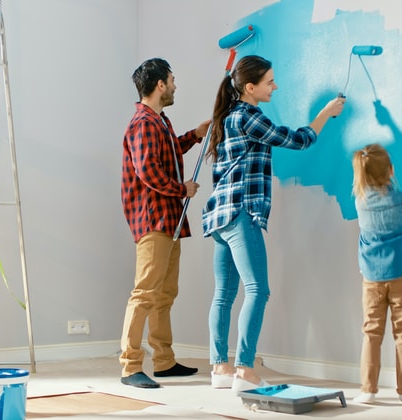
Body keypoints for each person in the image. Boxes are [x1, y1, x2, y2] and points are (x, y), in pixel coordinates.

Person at [201, 55, 345, 391]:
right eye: (269, 82)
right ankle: (244, 370)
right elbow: (298, 140)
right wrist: (326, 113)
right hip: (239, 212)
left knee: (224, 294)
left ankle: (220, 367)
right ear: (250, 87)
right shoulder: (249, 116)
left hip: (219, 215)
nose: (275, 86)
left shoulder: (227, 117)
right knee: (258, 290)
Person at [119, 57, 210, 389]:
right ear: (160, 85)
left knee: (164, 294)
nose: (174, 85)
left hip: (169, 221)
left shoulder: (160, 121)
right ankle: (130, 366)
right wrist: (181, 189)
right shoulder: (143, 123)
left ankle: (164, 361)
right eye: (172, 80)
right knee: (145, 293)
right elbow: (149, 172)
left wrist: (194, 136)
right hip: (154, 221)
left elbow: (166, 154)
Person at [350, 143, 402, 404]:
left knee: (371, 332)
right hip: (401, 272)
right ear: (390, 170)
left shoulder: (360, 202)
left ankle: (368, 391)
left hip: (371, 276)